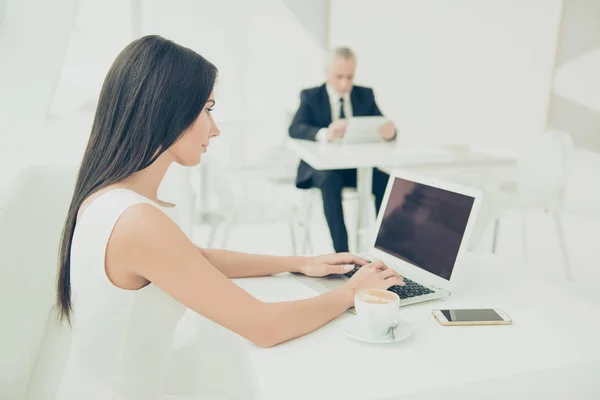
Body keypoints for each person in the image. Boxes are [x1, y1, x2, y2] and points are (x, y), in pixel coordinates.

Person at [54, 35, 404, 399]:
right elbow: (264, 327)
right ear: (167, 110)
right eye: (207, 109)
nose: (215, 128)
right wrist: (353, 292)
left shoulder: (104, 198)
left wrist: (302, 262)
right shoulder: (138, 222)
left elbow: (194, 258)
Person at [289, 47, 398, 253]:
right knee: (330, 180)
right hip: (320, 169)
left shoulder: (365, 95)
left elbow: (383, 124)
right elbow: (295, 128)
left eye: (350, 76)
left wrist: (390, 132)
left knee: (387, 181)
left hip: (355, 168)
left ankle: (388, 250)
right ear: (327, 72)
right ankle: (344, 255)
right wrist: (324, 133)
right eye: (339, 76)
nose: (345, 83)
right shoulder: (311, 96)